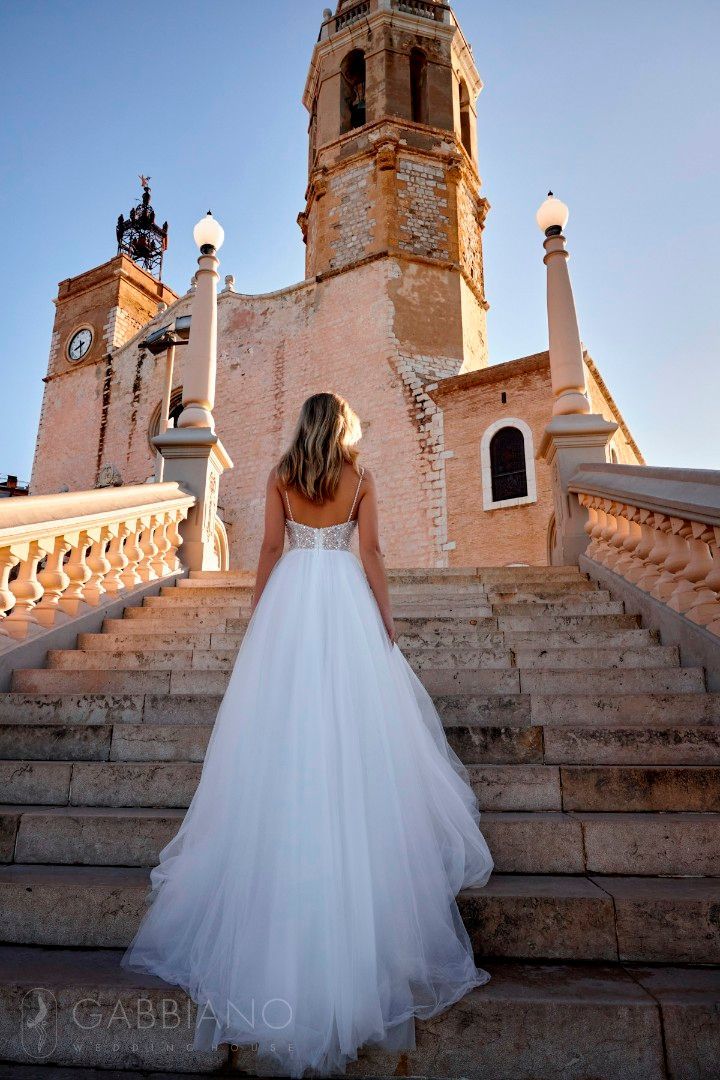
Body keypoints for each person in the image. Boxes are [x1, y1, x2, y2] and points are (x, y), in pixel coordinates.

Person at [122, 392, 494, 1077]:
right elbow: (373, 551)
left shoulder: (281, 473)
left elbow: (268, 546)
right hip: (345, 599)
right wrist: (385, 620)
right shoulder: (361, 477)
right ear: (345, 427)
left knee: (284, 730)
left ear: (304, 426)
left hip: (294, 596)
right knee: (353, 733)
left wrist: (261, 611)